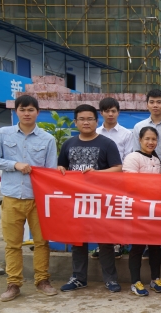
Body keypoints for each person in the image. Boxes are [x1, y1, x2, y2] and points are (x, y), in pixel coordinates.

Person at [0, 95, 58, 301]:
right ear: (16, 111)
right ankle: (13, 284)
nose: (26, 113)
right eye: (22, 109)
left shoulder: (47, 139)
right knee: (12, 244)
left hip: (37, 199)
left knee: (42, 242)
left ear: (37, 112)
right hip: (12, 197)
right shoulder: (3, 134)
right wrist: (14, 164)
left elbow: (50, 171)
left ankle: (42, 280)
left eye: (31, 110)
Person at [58, 104, 123, 293]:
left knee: (105, 241)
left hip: (101, 201)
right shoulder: (68, 144)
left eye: (90, 119)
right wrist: (60, 170)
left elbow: (118, 168)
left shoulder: (107, 143)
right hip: (76, 201)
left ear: (96, 121)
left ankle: (110, 279)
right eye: (82, 119)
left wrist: (97, 173)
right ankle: (79, 278)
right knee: (78, 240)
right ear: (75, 122)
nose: (86, 122)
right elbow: (62, 167)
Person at [133, 89, 161, 260]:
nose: (155, 105)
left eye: (159, 102)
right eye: (152, 102)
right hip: (144, 175)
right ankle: (146, 244)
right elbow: (134, 151)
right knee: (145, 210)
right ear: (147, 105)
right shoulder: (139, 127)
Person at [122, 126, 161, 296]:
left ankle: (156, 279)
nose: (150, 142)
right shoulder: (133, 157)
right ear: (140, 140)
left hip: (155, 209)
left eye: (154, 139)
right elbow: (130, 183)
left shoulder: (157, 158)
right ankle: (135, 282)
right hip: (138, 210)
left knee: (155, 246)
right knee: (138, 247)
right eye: (147, 139)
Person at [95, 97, 135, 260]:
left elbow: (128, 157)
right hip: (98, 180)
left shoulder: (126, 134)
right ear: (101, 113)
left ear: (118, 112)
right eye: (107, 111)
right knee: (100, 212)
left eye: (113, 111)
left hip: (119, 180)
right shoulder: (95, 133)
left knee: (117, 212)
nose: (110, 114)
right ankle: (102, 244)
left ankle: (117, 244)